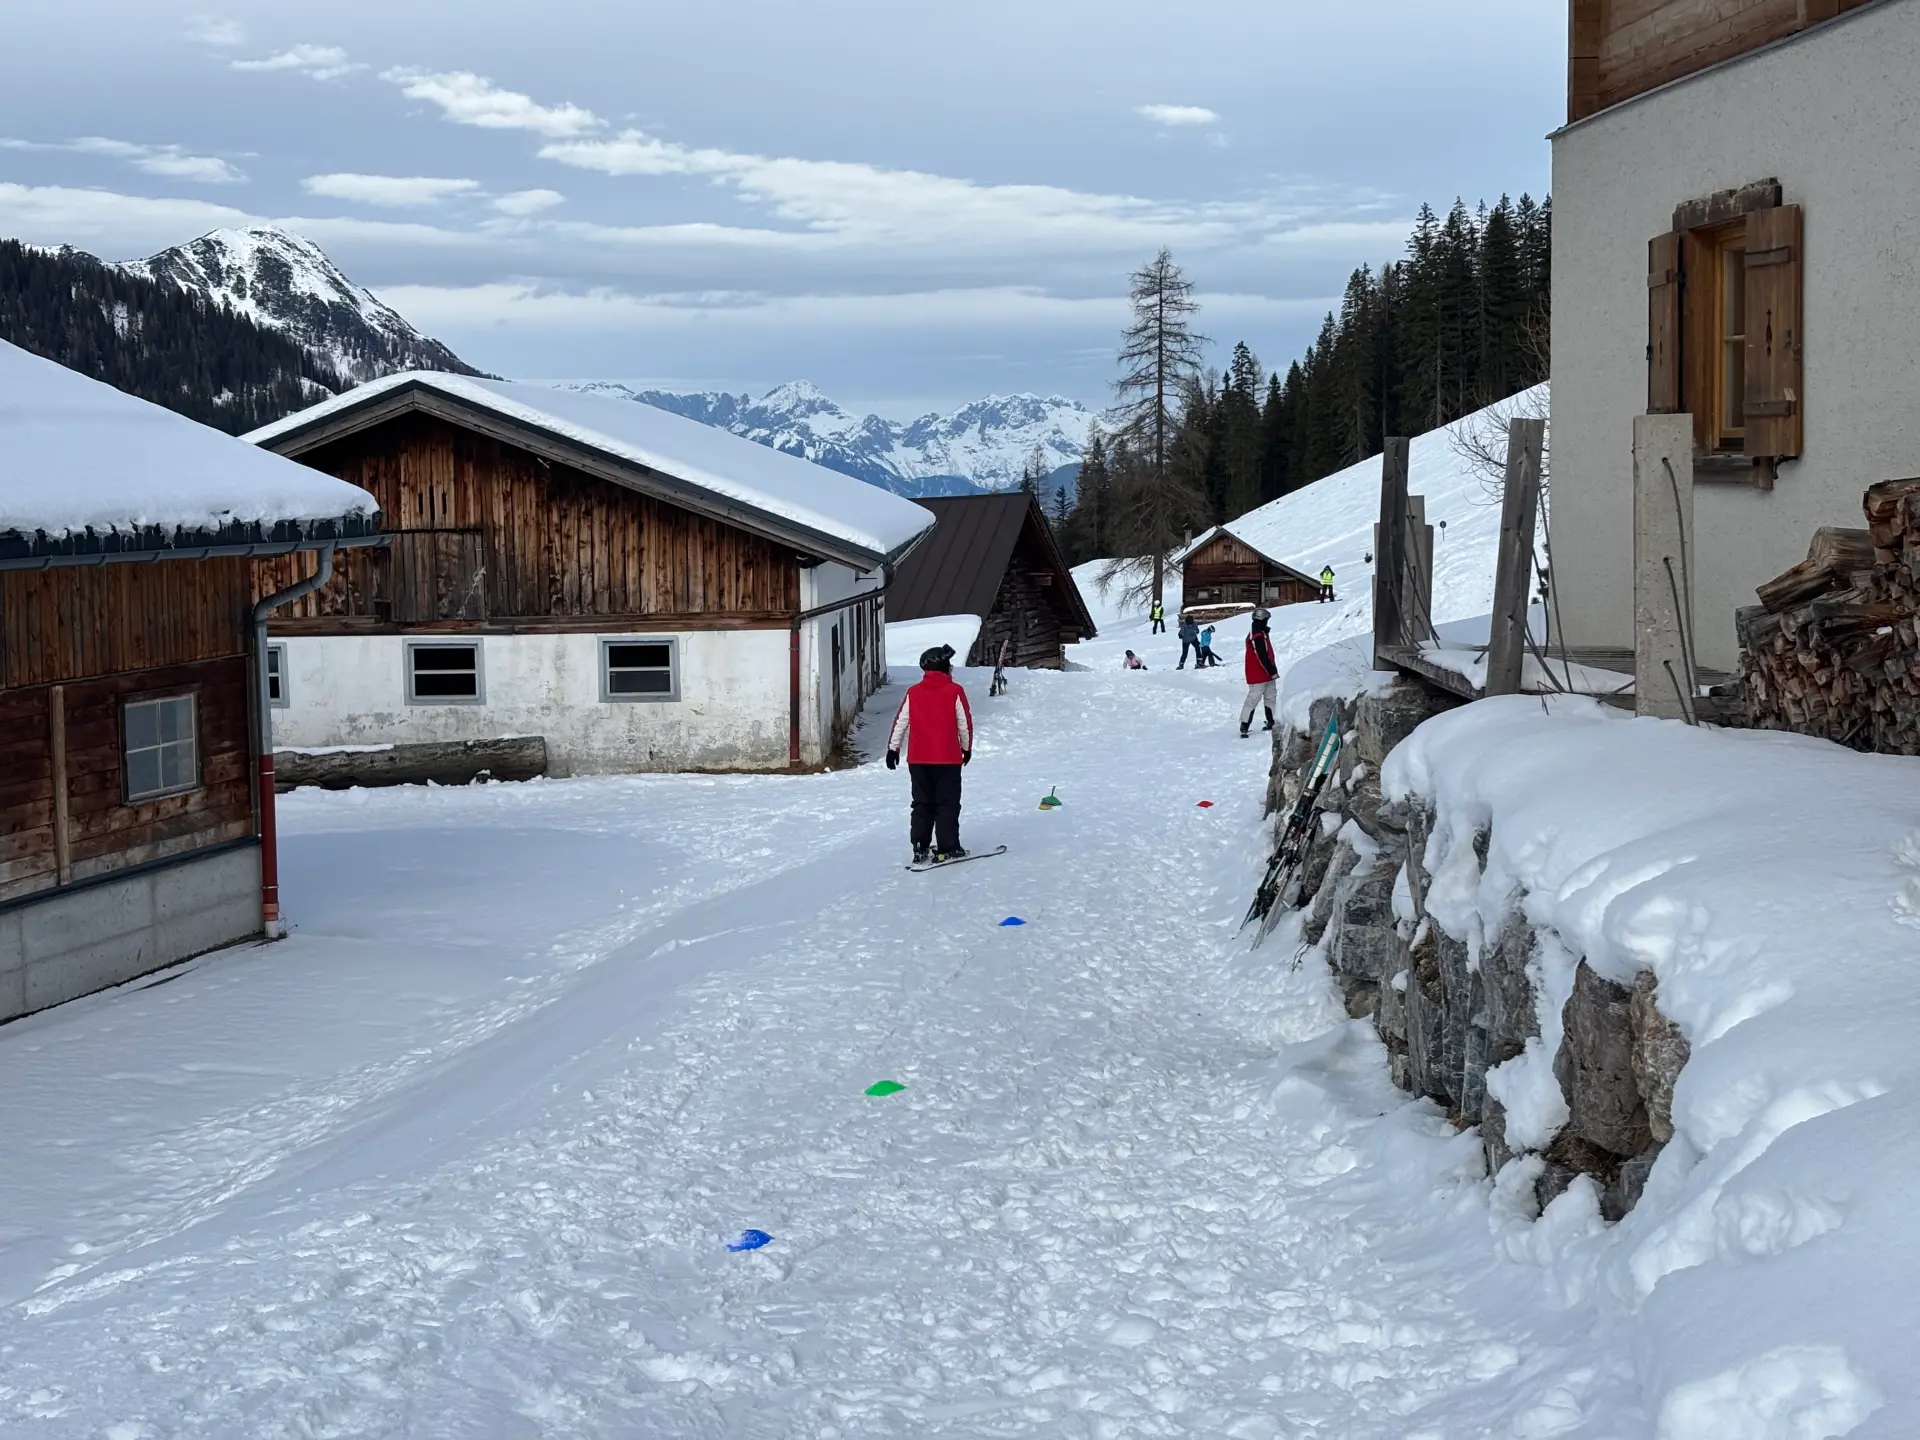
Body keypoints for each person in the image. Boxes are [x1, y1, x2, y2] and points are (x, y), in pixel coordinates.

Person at [886, 644, 973, 865]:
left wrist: (893, 748)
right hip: (948, 759)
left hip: (918, 759)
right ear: (943, 667)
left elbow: (901, 721)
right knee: (947, 803)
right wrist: (966, 747)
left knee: (922, 803)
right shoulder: (955, 691)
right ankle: (948, 847)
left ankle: (920, 846)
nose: (952, 669)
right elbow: (964, 724)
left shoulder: (913, 692)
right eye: (949, 665)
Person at [1239, 608, 1279, 737]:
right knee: (1253, 698)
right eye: (1267, 619)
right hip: (1258, 672)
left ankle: (1272, 722)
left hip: (1267, 672)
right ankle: (1244, 725)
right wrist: (1271, 670)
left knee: (1271, 697)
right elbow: (1261, 654)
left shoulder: (1261, 631)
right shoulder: (1257, 634)